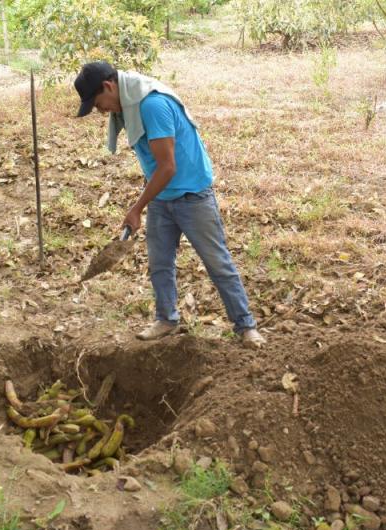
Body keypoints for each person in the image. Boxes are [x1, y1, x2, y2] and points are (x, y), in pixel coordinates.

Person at [74, 61, 265, 349]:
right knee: (160, 263)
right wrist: (146, 202)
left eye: (98, 103)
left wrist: (137, 208)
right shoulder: (128, 105)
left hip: (192, 196)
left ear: (109, 86)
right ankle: (166, 319)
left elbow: (167, 167)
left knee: (217, 263)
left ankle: (245, 325)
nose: (101, 111)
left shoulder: (151, 105)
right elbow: (154, 166)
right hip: (163, 197)